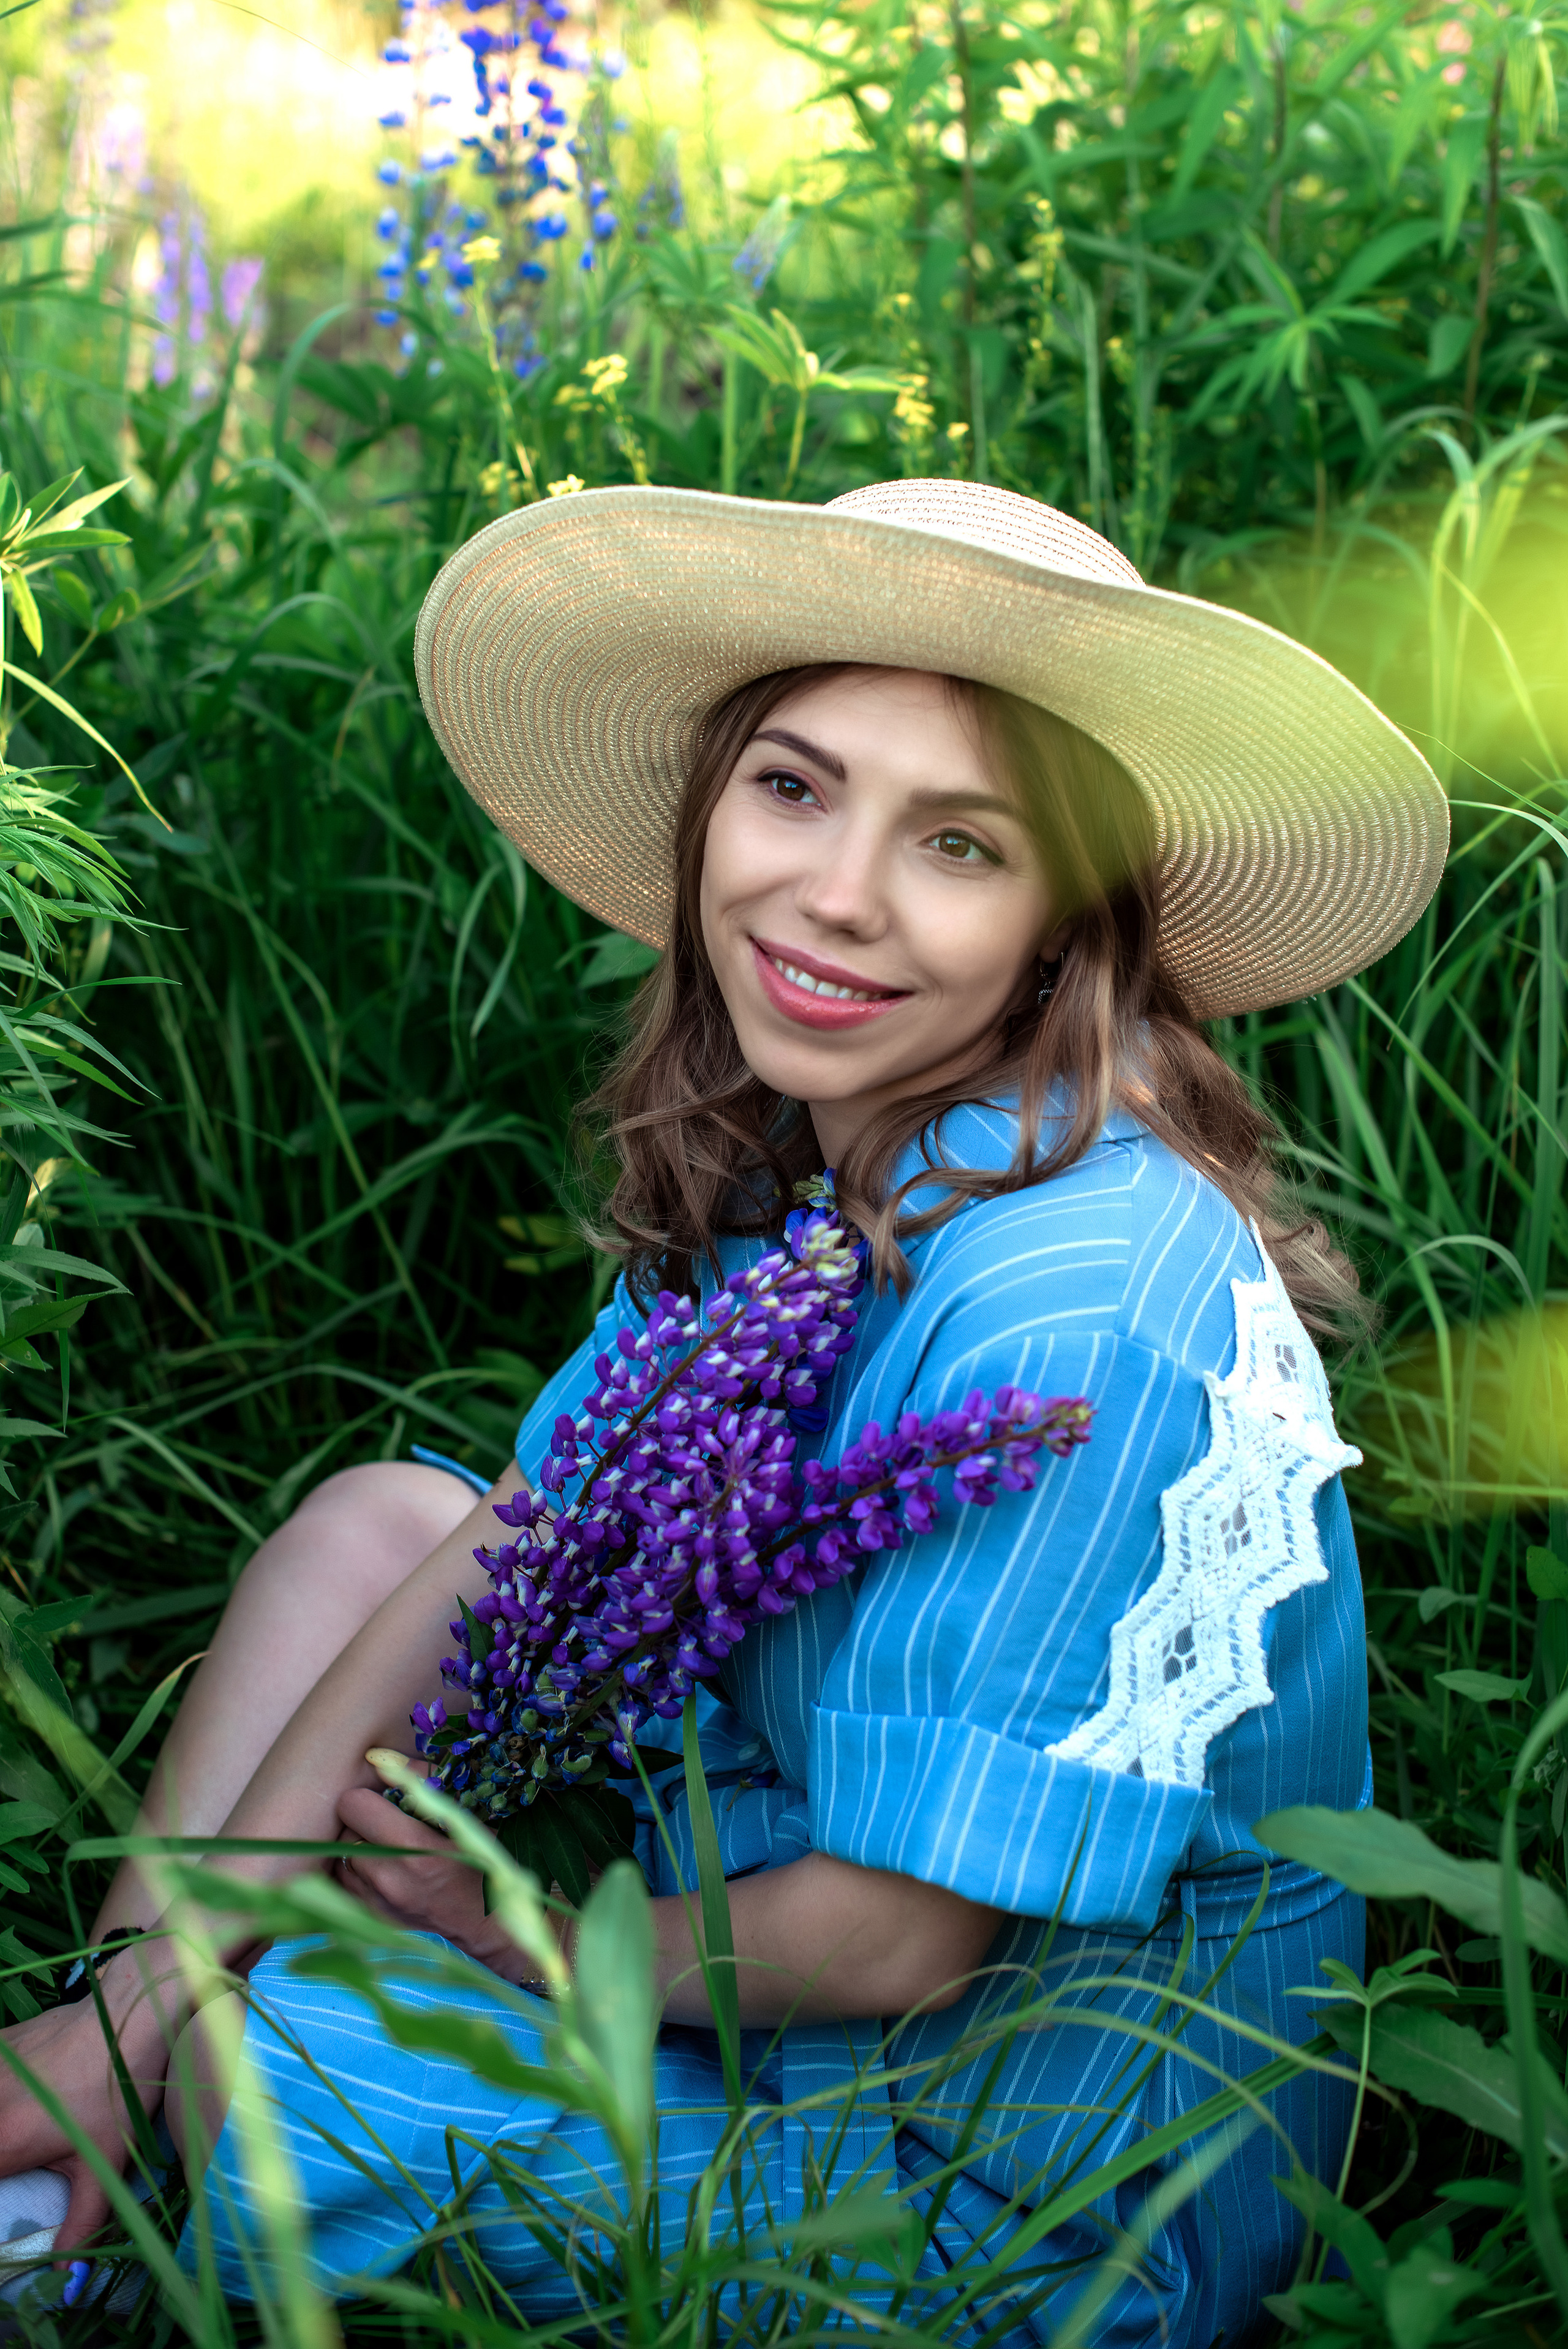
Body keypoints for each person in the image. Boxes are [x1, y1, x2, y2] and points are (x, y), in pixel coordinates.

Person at [0, 478, 1447, 2343]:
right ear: (709, 808)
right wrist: (125, 2014)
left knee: (285, 2066)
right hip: (766, 1935)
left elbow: (903, 1939)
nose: (834, 890)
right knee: (372, 1529)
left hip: (1000, 2184)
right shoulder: (808, 1144)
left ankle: (139, 2179)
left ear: (1069, 922)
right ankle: (95, 2142)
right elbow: (519, 1535)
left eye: (959, 841)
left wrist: (507, 1941)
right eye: (793, 783)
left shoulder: (1081, 1306)